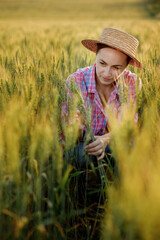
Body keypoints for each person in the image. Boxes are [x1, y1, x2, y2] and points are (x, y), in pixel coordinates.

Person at [62, 27, 142, 169]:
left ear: (126, 66)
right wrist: (77, 129)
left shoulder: (131, 82)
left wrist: (106, 139)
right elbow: (68, 133)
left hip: (117, 143)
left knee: (131, 153)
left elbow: (128, 126)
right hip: (84, 145)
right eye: (102, 63)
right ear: (96, 56)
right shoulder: (76, 80)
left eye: (116, 67)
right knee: (79, 156)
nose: (106, 73)